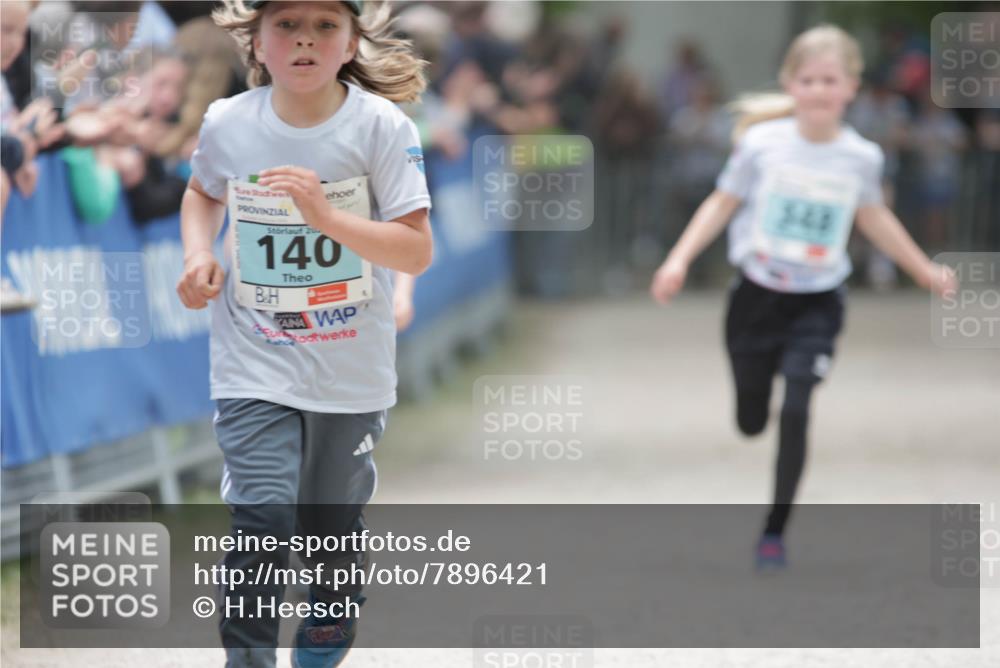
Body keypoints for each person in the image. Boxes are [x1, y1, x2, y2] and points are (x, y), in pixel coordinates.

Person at [176, 2, 432, 667]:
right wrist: (198, 255)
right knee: (261, 518)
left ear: (350, 43)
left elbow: (413, 251)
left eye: (324, 26)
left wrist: (322, 214)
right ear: (257, 40)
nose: (305, 41)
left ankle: (331, 601)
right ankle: (248, 659)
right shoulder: (229, 123)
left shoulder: (381, 126)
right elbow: (203, 192)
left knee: (326, 530)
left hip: (349, 370)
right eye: (287, 24)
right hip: (252, 362)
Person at [649, 25, 955, 571]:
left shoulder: (860, 157)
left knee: (796, 406)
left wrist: (924, 270)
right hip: (755, 297)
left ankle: (774, 530)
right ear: (790, 83)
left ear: (851, 88)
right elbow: (721, 203)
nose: (818, 89)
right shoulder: (761, 143)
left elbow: (874, 216)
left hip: (818, 299)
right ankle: (750, 405)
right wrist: (678, 259)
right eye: (808, 79)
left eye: (829, 80)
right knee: (751, 420)